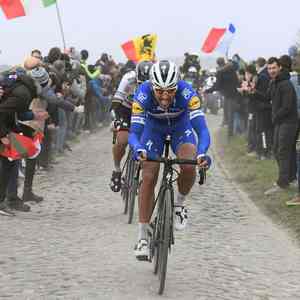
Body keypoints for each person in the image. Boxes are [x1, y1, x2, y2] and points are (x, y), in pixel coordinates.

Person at [129, 60, 211, 260]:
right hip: (153, 130)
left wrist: (202, 152)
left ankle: (179, 205)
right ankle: (142, 236)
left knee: (189, 163)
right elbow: (135, 132)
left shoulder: (187, 93)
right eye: (160, 91)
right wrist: (138, 147)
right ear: (152, 86)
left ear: (177, 86)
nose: (165, 96)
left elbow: (201, 129)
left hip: (180, 128)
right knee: (148, 175)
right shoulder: (142, 94)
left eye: (170, 91)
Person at [110, 60, 153, 192]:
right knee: (122, 141)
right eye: (140, 83)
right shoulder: (128, 78)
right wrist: (115, 119)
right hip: (126, 110)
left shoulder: (156, 81)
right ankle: (117, 170)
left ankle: (141, 176)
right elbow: (117, 99)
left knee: (146, 145)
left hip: (146, 112)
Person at [265, 57, 298, 195]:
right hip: (279, 122)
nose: (271, 71)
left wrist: (275, 116)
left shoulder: (286, 84)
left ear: (279, 68)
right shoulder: (273, 83)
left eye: (273, 68)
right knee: (280, 151)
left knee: (282, 151)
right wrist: (252, 93)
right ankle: (290, 178)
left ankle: (283, 183)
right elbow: (266, 98)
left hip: (289, 122)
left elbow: (288, 106)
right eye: (269, 68)